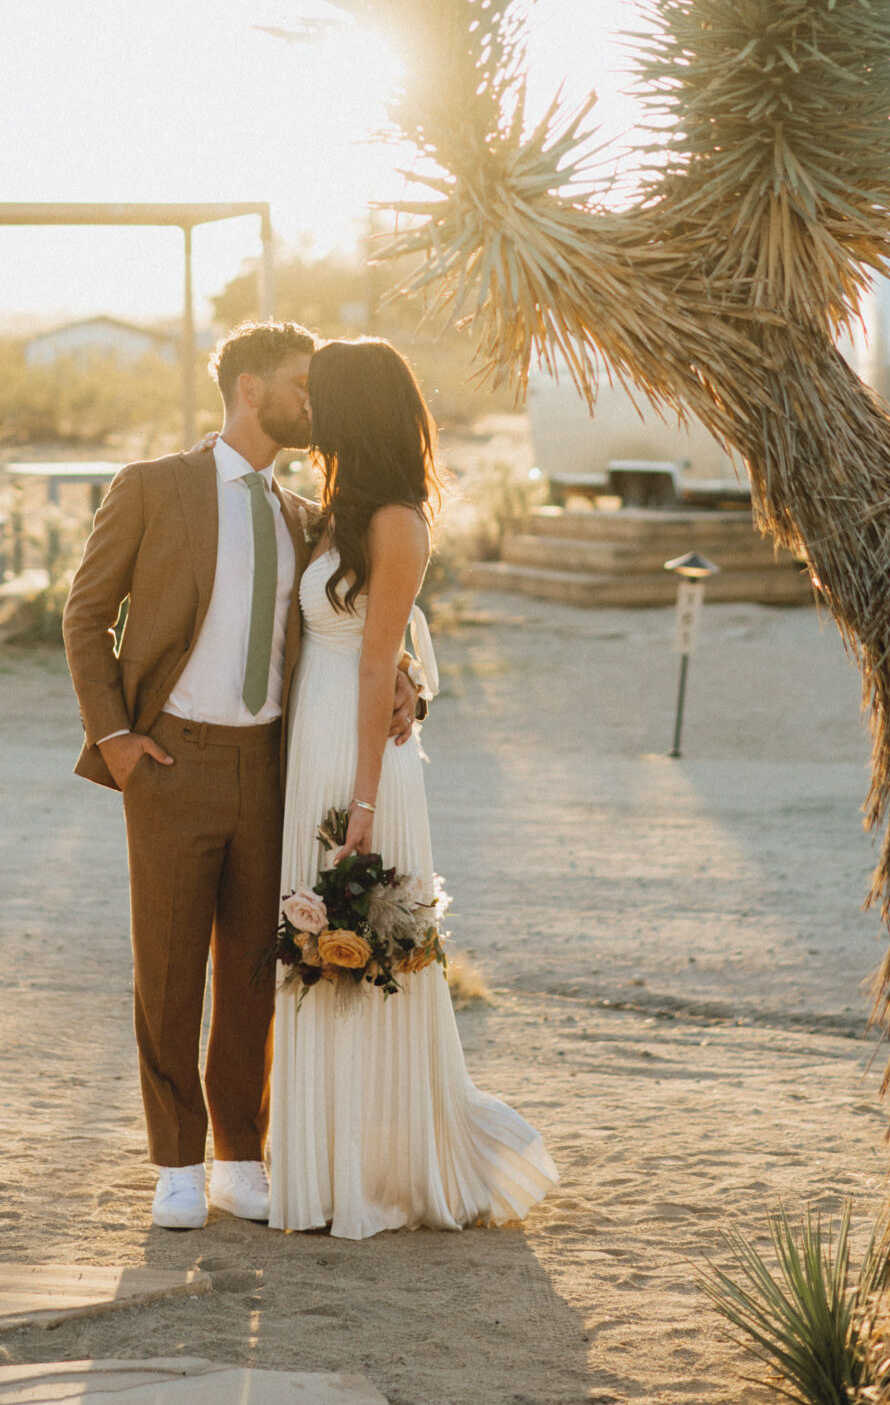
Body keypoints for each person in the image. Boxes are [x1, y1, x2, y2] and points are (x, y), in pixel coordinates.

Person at [63, 321, 420, 1232]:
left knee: (256, 976)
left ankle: (237, 1155)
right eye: (302, 384)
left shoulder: (306, 516)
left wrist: (411, 686)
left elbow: (365, 623)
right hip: (168, 761)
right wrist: (114, 737)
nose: (315, 402)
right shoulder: (154, 486)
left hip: (271, 767)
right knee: (170, 971)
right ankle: (177, 1161)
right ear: (251, 388)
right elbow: (86, 612)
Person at [269, 337, 558, 1237]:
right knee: (309, 952)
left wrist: (360, 803)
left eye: (321, 396)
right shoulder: (333, 512)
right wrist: (409, 668)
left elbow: (372, 659)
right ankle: (316, 1164)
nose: (307, 409)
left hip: (359, 760)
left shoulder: (395, 519)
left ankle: (376, 1175)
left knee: (360, 951)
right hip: (309, 739)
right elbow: (387, 636)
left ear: (355, 409)